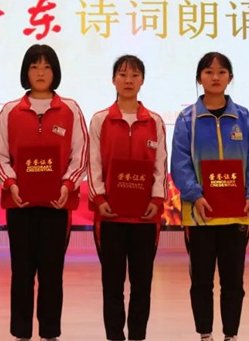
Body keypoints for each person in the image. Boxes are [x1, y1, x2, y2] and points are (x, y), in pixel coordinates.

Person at [0, 44, 89, 341]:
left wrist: (67, 184)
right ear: (26, 72)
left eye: (46, 67)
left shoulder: (70, 109)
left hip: (57, 206)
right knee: (21, 272)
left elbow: (80, 154)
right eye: (34, 67)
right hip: (20, 205)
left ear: (55, 71)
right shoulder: (10, 111)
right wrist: (11, 183)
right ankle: (21, 333)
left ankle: (49, 333)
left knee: (51, 272)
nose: (41, 72)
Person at [170, 52, 249, 341]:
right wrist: (194, 194)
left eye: (221, 72)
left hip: (237, 213)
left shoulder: (243, 118)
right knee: (201, 281)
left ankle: (231, 335)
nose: (215, 77)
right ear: (199, 78)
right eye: (209, 72)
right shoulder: (187, 119)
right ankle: (205, 335)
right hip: (200, 215)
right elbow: (180, 163)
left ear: (230, 78)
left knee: (233, 281)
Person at [87, 55, 167, 341]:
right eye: (122, 75)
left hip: (145, 218)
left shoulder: (154, 121)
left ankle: (137, 336)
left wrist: (156, 200)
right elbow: (93, 163)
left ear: (142, 80)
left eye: (134, 75)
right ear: (113, 80)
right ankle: (114, 337)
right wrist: (99, 199)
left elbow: (160, 166)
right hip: (110, 216)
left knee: (142, 285)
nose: (128, 80)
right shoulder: (100, 120)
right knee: (112, 285)